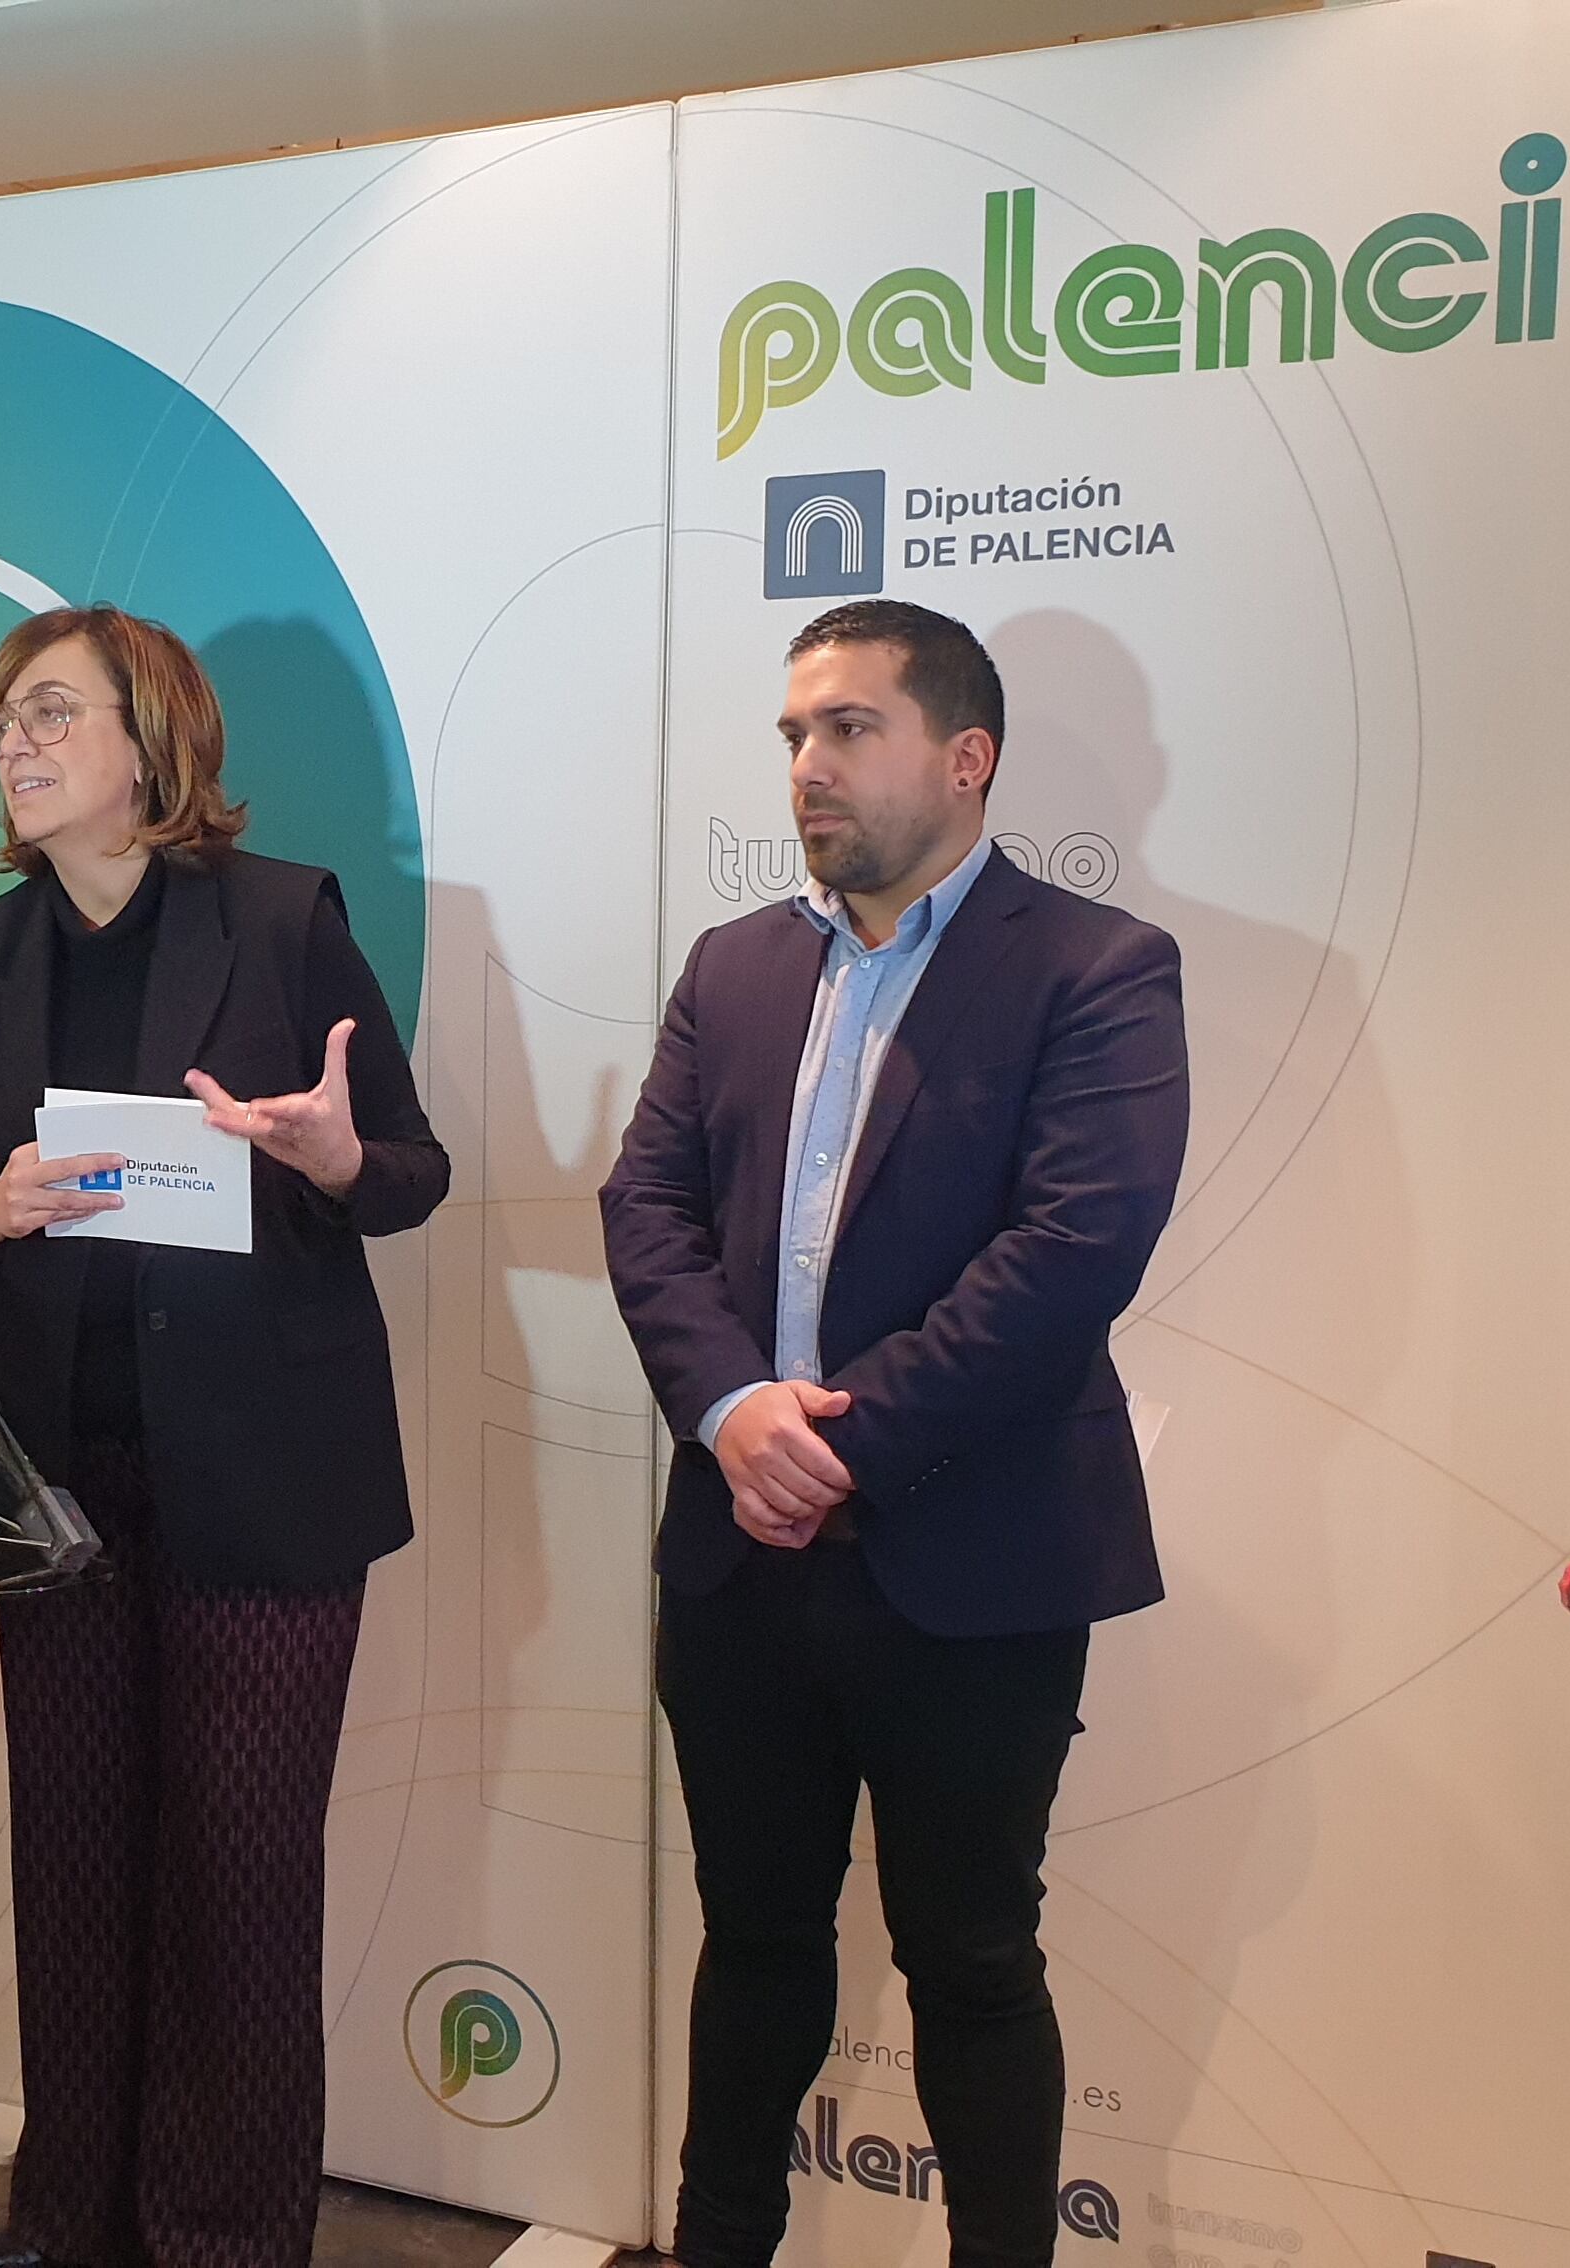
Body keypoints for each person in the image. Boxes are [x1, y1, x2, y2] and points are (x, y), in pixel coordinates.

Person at [598, 599, 1189, 2266]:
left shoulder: (1096, 971)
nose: (808, 766)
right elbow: (644, 1207)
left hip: (972, 1567)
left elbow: (1075, 1253)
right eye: (794, 734)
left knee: (976, 1960)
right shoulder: (735, 968)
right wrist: (729, 1411)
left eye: (848, 728)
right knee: (756, 1942)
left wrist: (832, 1443)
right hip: (740, 1567)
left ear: (965, 755)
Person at [0, 605, 447, 2268]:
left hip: (263, 1484)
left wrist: (334, 1159)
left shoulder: (282, 923)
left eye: (52, 710)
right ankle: (74, 2218)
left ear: (150, 742)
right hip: (56, 1481)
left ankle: (219, 2237)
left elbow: (409, 1171)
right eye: (2, 714)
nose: (14, 738)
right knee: (73, 1866)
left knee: (239, 1885)